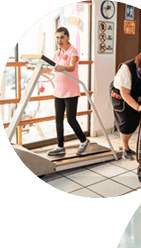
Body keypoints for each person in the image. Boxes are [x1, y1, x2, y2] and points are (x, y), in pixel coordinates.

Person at [41, 27, 90, 157]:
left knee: (71, 119)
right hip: (59, 91)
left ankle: (84, 141)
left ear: (67, 37)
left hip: (71, 91)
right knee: (58, 120)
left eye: (62, 37)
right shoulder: (56, 54)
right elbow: (49, 69)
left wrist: (63, 67)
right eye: (57, 38)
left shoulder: (73, 51)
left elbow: (72, 66)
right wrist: (36, 68)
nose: (59, 40)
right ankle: (60, 146)